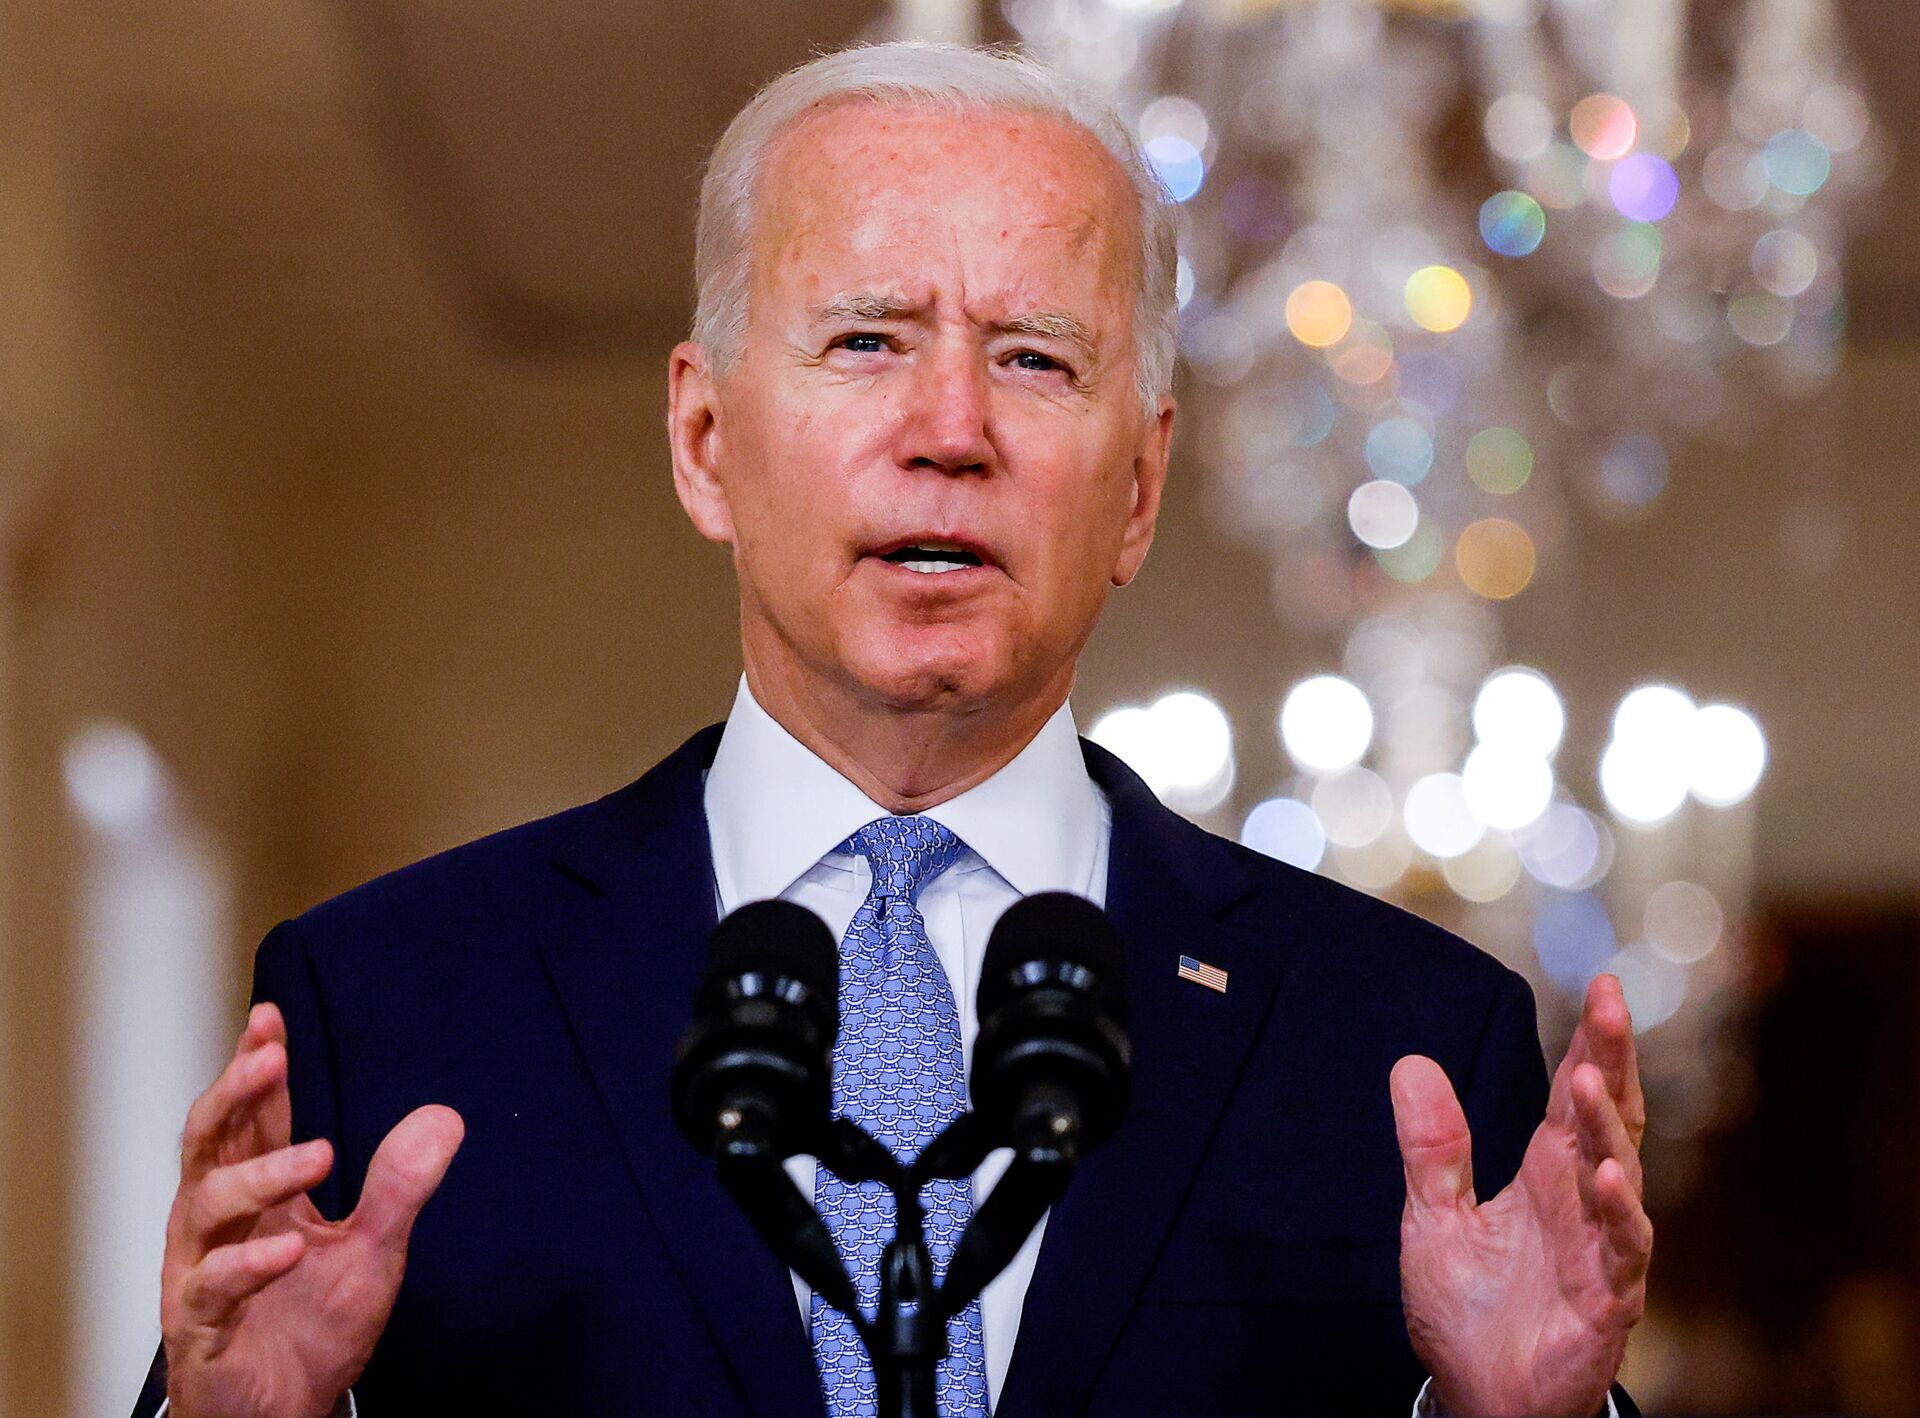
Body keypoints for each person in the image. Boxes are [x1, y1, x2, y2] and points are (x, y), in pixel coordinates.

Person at [137, 41, 1650, 1418]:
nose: (950, 429)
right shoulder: (393, 1005)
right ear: (705, 437)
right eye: (866, 340)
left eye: (1036, 358)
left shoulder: (1402, 1045)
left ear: (1136, 488)